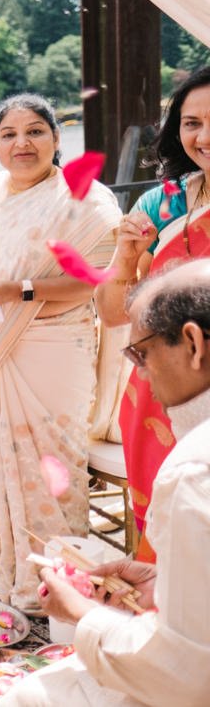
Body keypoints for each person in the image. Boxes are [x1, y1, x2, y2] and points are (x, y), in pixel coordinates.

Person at [0, 94, 121, 610]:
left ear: (58, 139)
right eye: (8, 134)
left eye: (35, 131)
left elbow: (94, 280)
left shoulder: (87, 200)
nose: (22, 143)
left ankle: (57, 580)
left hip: (53, 346)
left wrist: (22, 290)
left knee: (51, 464)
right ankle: (3, 562)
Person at [5, 258, 210, 706]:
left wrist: (82, 614)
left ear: (193, 344)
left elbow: (186, 674)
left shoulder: (194, 470)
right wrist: (165, 582)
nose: (139, 373)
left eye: (141, 353)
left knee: (26, 697)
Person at [94, 66, 210, 555]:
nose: (203, 136)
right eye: (191, 122)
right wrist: (123, 258)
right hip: (157, 392)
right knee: (163, 530)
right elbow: (114, 313)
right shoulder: (161, 205)